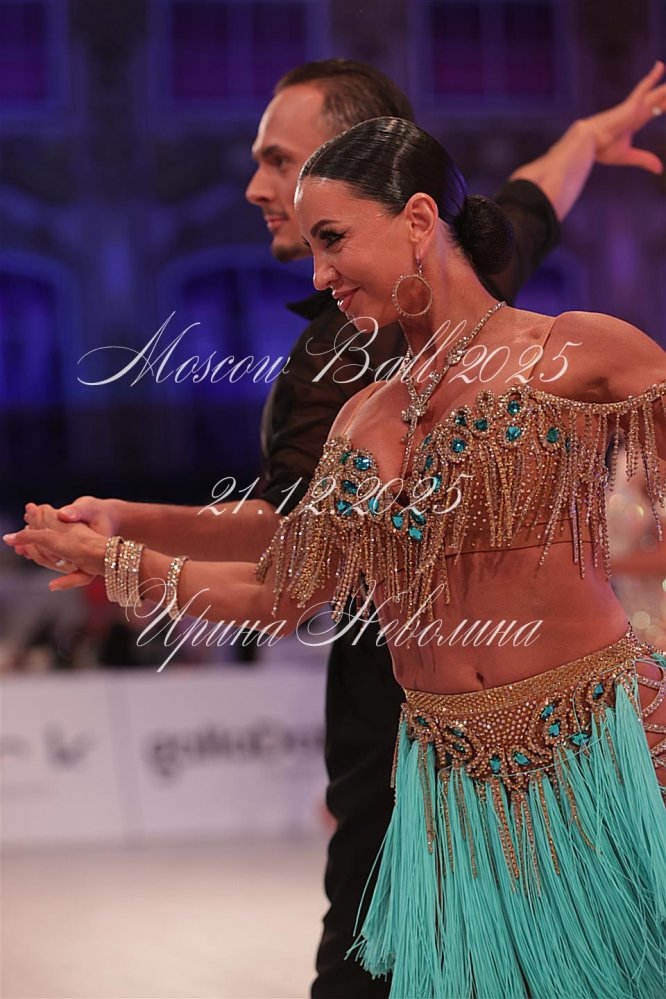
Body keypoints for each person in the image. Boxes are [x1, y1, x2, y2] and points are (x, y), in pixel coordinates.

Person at [8, 61, 666, 999]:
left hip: (597, 756)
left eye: (333, 239)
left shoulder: (576, 352)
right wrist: (120, 557)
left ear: (419, 220)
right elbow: (287, 586)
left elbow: (531, 202)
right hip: (446, 791)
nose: (318, 275)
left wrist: (588, 140)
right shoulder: (365, 418)